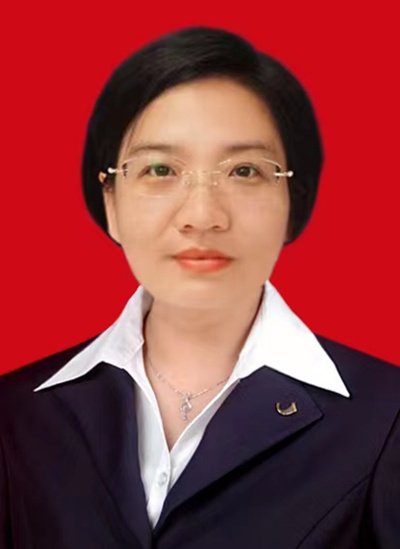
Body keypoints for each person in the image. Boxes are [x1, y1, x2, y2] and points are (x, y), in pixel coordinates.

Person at [0, 26, 399, 549]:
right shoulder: (16, 415)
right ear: (111, 202)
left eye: (245, 171)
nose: (203, 216)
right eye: (160, 169)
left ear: (293, 202)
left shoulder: (386, 416)